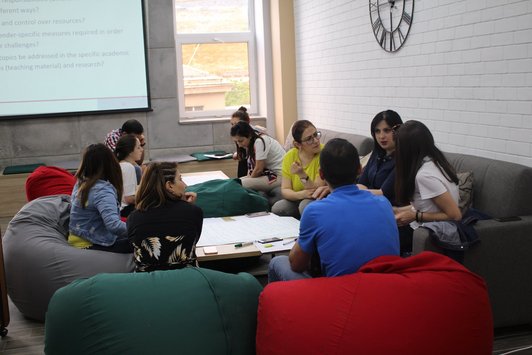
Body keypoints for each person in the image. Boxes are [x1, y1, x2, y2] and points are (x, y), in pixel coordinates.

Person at [268, 138, 399, 282]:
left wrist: (303, 240)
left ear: (322, 174)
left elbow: (296, 264)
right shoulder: (383, 203)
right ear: (359, 170)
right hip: (387, 286)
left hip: (342, 293)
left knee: (277, 262)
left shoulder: (315, 212)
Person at [393, 120, 462, 253]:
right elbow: (429, 204)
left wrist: (415, 216)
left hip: (427, 233)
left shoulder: (424, 176)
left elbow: (454, 215)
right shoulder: (436, 162)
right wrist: (399, 209)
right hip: (421, 227)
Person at [127, 162, 203, 272]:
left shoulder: (134, 218)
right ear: (169, 186)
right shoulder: (193, 212)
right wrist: (187, 206)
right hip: (186, 280)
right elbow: (192, 242)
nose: (185, 185)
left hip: (145, 283)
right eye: (180, 179)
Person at [69, 143, 132, 253]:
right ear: (110, 163)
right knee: (143, 241)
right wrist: (140, 229)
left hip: (76, 238)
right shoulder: (102, 190)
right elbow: (114, 226)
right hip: (93, 243)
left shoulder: (81, 183)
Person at [271, 120, 325, 218]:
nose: (316, 140)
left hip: (319, 198)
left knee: (305, 205)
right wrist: (301, 194)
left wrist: (301, 174)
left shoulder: (325, 153)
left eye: (316, 134)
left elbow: (316, 190)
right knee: (278, 208)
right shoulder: (290, 156)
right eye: (309, 139)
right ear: (298, 144)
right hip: (299, 196)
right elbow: (285, 189)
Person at [357, 110, 403, 204]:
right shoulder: (377, 153)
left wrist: (351, 192)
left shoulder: (403, 158)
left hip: (389, 209)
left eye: (387, 130)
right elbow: (361, 182)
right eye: (377, 131)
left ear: (398, 131)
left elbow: (383, 193)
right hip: (368, 202)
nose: (381, 136)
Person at [230, 121, 285, 195]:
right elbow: (251, 171)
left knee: (239, 184)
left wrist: (249, 180)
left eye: (241, 141)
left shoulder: (259, 141)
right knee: (233, 182)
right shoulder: (251, 142)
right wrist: (248, 178)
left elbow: (258, 169)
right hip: (269, 173)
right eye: (236, 142)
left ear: (249, 135)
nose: (239, 145)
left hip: (280, 176)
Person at [114, 134, 144, 217]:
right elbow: (129, 198)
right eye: (138, 147)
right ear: (130, 151)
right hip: (124, 210)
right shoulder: (128, 167)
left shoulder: (120, 165)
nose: (141, 150)